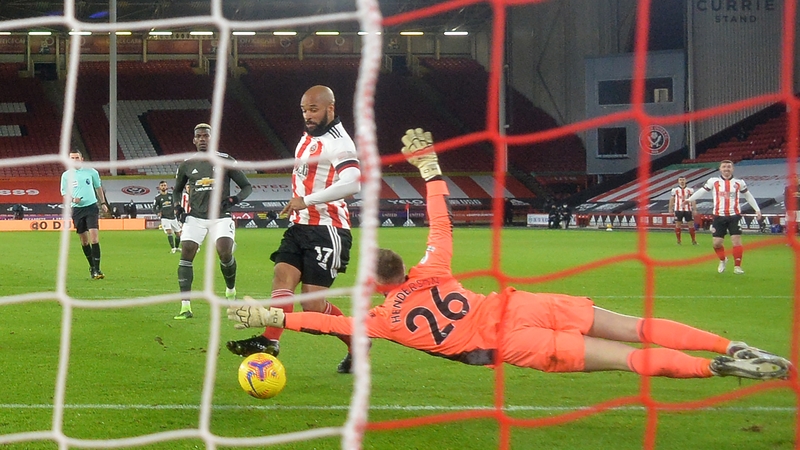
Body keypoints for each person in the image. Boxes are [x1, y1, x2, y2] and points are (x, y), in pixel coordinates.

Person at [226, 129, 790, 382]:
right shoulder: (435, 268)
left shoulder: (383, 321)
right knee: (635, 326)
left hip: (508, 344)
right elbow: (441, 222)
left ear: (375, 285)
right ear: (402, 266)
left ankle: (712, 368)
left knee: (620, 361)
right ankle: (726, 345)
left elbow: (324, 322)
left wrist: (273, 315)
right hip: (524, 305)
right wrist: (430, 171)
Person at [225, 85, 361, 373]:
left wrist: (306, 200)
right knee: (281, 276)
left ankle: (357, 343)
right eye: (304, 110)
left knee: (312, 307)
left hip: (328, 229)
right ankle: (270, 341)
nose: (308, 116)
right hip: (300, 225)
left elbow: (353, 183)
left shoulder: (341, 143)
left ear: (331, 108)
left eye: (313, 110)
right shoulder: (309, 136)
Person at [171, 123, 253, 320]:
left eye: (205, 136)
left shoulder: (226, 160)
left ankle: (231, 291)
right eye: (198, 136)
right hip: (195, 217)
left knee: (224, 252)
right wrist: (177, 207)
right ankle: (185, 307)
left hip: (220, 217)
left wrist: (234, 200)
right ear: (194, 140)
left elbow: (246, 187)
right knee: (187, 252)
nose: (202, 139)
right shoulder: (187, 164)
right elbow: (176, 190)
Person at [686, 160, 761, 274]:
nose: (726, 169)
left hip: (734, 216)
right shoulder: (713, 181)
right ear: (720, 169)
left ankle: (737, 267)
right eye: (724, 167)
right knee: (717, 243)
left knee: (736, 241)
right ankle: (723, 260)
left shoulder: (739, 182)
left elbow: (748, 196)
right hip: (718, 216)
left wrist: (757, 209)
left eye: (729, 167)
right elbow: (702, 191)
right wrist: (689, 200)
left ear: (733, 169)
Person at [60, 150, 109, 280]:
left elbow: (98, 187)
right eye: (72, 158)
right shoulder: (66, 176)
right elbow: (64, 194)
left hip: (91, 207)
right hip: (77, 210)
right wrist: (72, 199)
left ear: (82, 158)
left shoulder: (91, 172)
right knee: (84, 241)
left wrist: (103, 202)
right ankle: (92, 267)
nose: (74, 159)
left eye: (77, 157)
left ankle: (97, 269)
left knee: (94, 238)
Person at [153, 181, 182, 253]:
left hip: (173, 217)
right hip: (165, 218)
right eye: (162, 185)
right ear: (159, 187)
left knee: (178, 233)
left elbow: (176, 204)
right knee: (169, 231)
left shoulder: (171, 195)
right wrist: (157, 213)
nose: (163, 187)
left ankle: (177, 247)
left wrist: (176, 209)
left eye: (165, 185)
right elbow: (154, 208)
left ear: (167, 187)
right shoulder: (157, 198)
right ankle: (173, 248)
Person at [668, 177, 698, 245]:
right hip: (678, 209)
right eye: (680, 180)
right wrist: (670, 208)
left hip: (688, 209)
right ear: (678, 181)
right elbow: (672, 199)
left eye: (683, 180)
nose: (682, 181)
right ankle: (678, 241)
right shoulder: (675, 190)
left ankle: (693, 240)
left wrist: (695, 209)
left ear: (686, 180)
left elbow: (693, 200)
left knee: (691, 224)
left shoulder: (690, 190)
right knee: (678, 224)